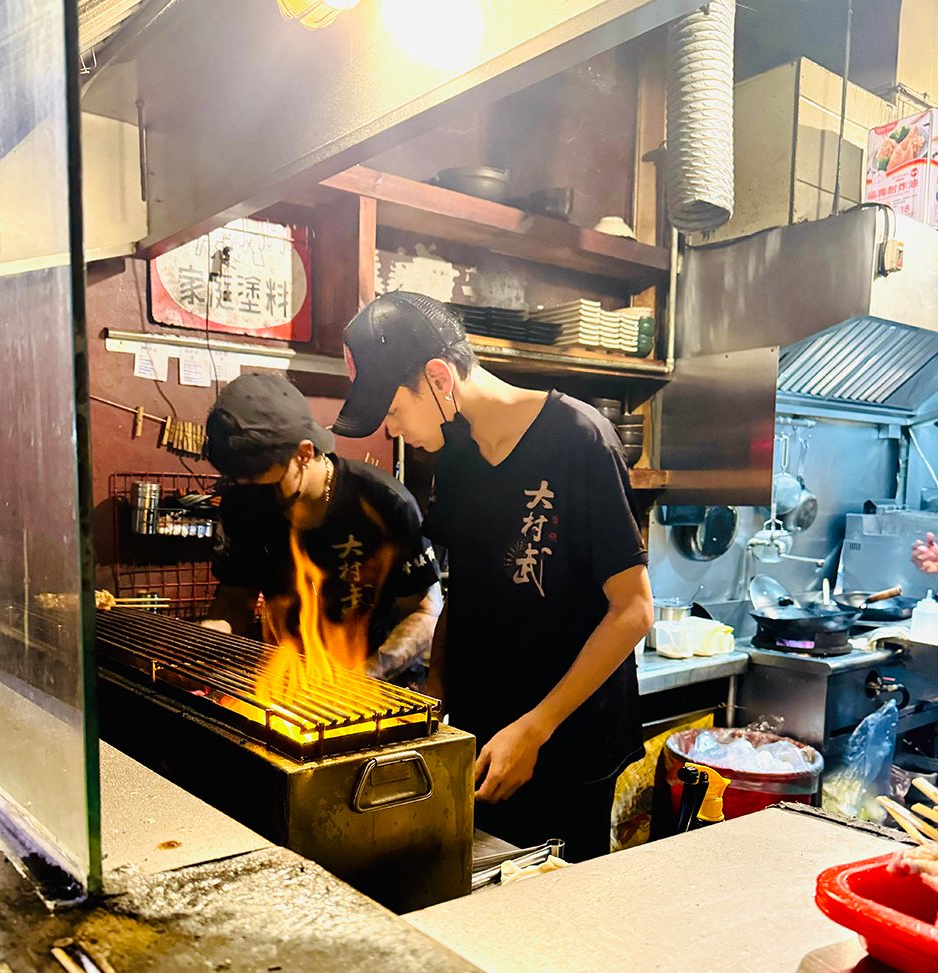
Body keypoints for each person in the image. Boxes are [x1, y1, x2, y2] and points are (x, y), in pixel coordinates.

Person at [332, 292, 653, 861]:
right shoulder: (456, 453)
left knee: (561, 910)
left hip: (566, 738)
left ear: (437, 377)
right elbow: (467, 587)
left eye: (392, 408)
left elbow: (633, 611)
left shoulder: (579, 438)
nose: (391, 427)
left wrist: (535, 729)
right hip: (485, 733)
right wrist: (434, 700)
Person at [202, 372, 442, 683]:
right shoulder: (244, 502)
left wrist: (361, 677)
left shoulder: (384, 502)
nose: (255, 492)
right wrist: (205, 643)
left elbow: (424, 613)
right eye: (241, 480)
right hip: (290, 683)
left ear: (304, 452)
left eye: (266, 480)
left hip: (380, 684)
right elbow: (235, 600)